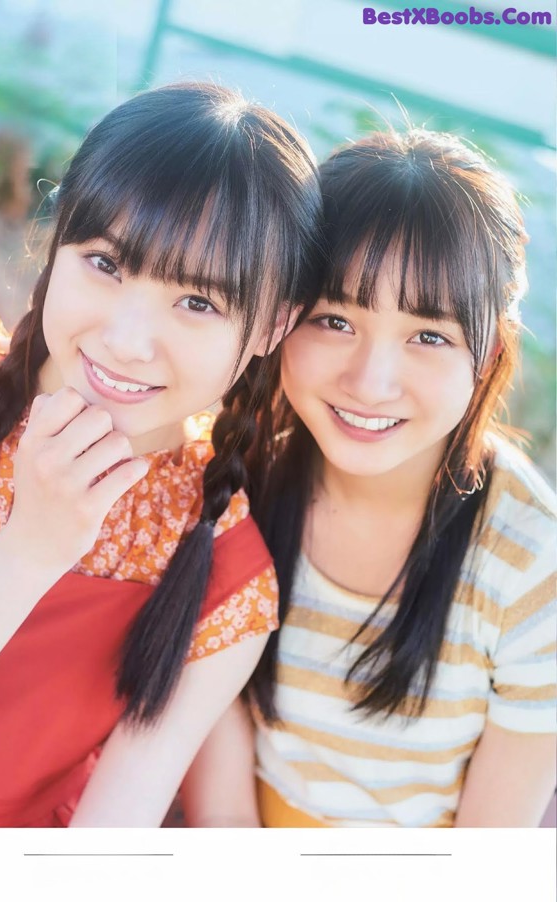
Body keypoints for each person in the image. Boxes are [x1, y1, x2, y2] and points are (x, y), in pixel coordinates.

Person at [0, 82, 323, 827]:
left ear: (272, 326)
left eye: (198, 303)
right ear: (59, 236)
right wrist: (28, 553)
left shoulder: (226, 579)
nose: (128, 339)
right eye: (106, 263)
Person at [183, 128, 556, 828]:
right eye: (334, 319)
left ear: (488, 355)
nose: (371, 382)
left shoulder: (532, 561)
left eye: (429, 336)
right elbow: (220, 811)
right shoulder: (228, 486)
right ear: (282, 317)